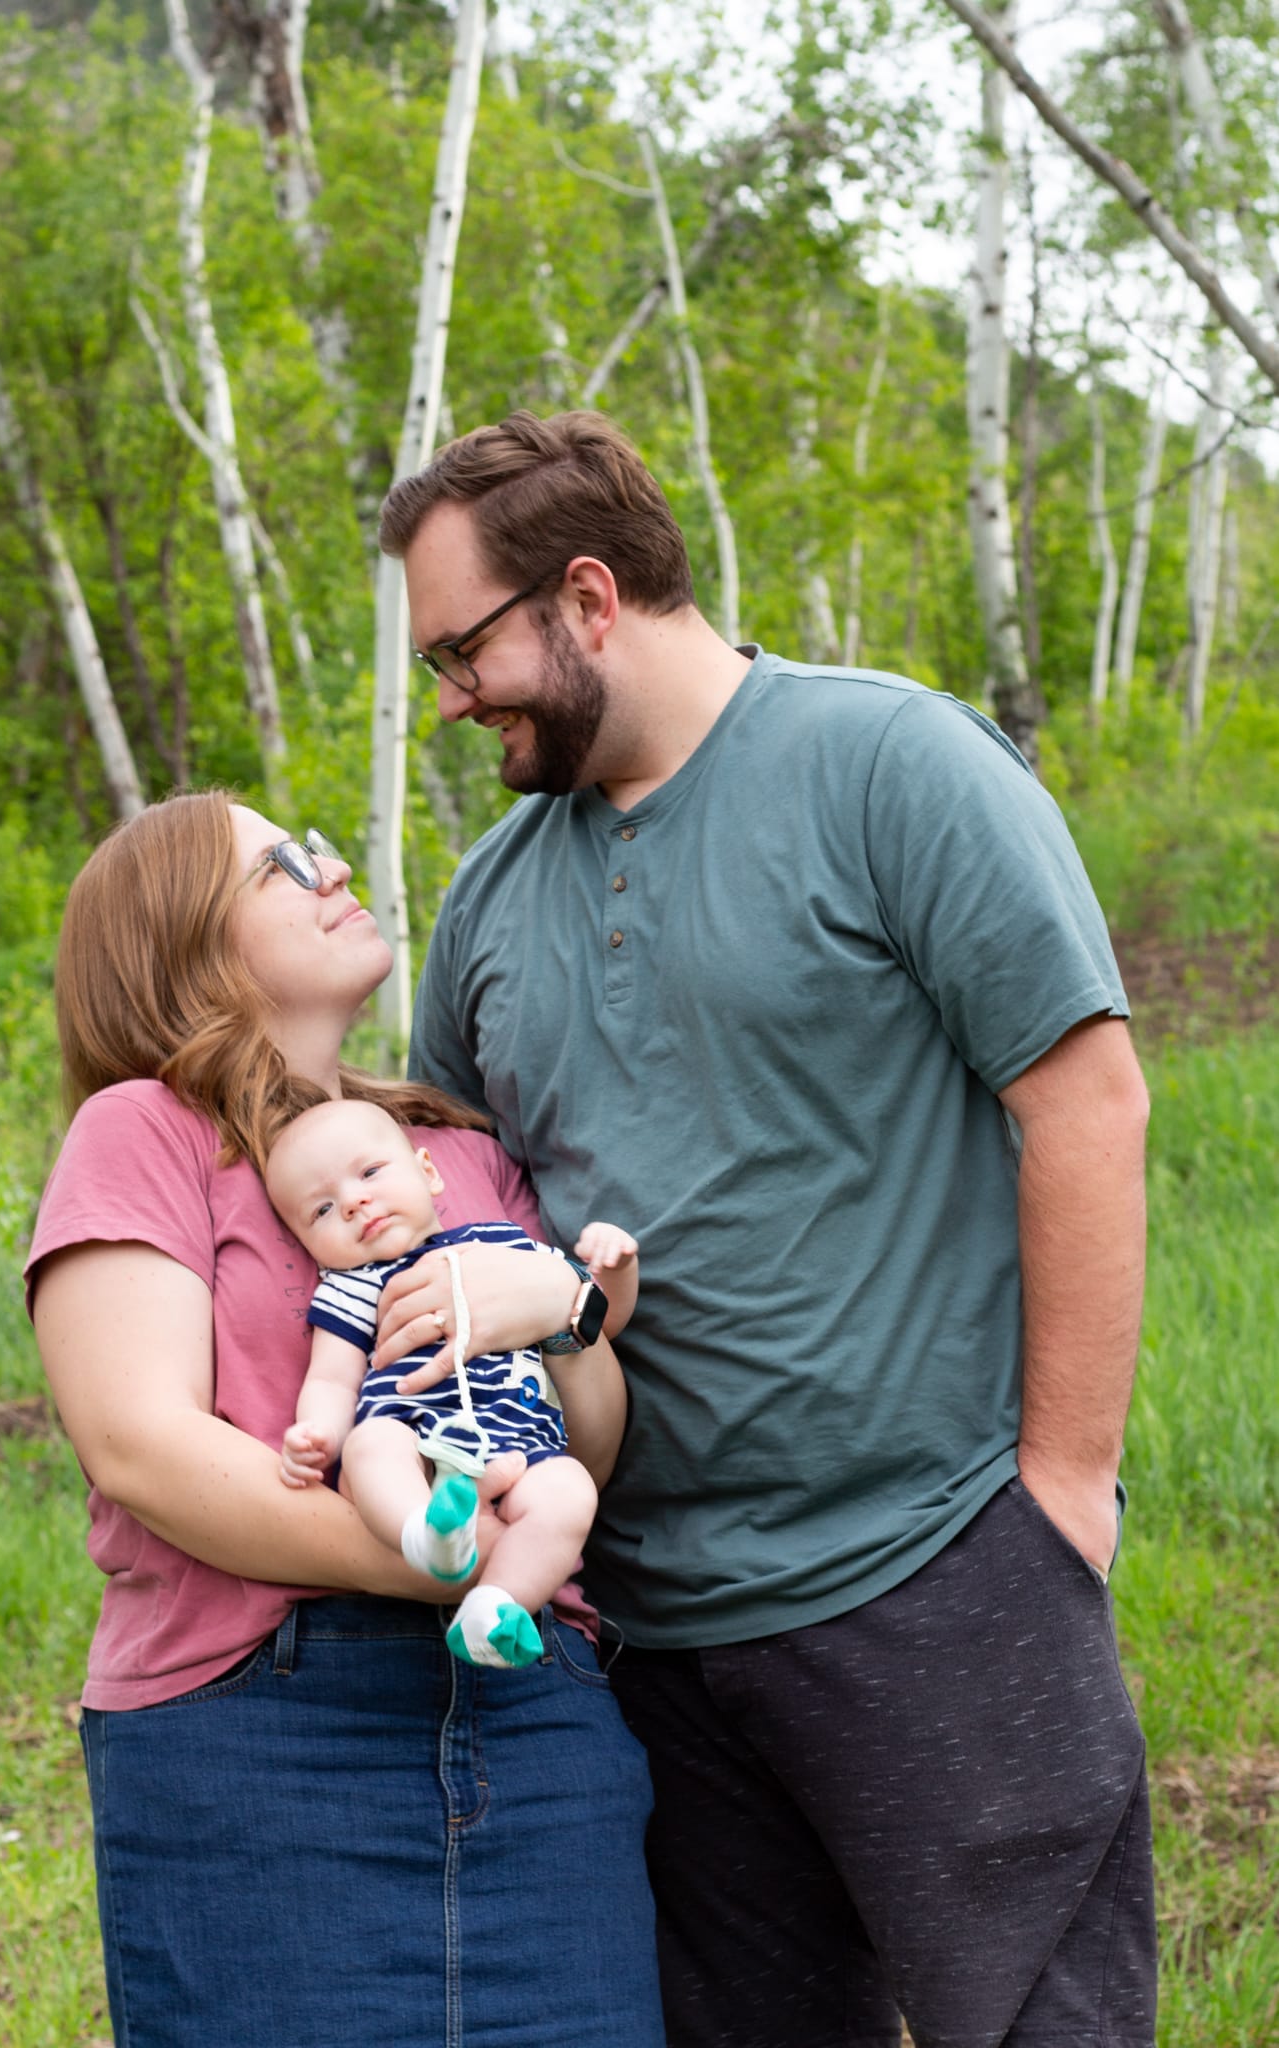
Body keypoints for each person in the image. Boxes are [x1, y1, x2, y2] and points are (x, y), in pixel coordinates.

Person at [379, 409, 1158, 2048]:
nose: (450, 699)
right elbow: (460, 1214)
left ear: (587, 597)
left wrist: (1062, 1494)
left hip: (939, 1577)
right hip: (646, 1641)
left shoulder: (894, 765)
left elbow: (1086, 1103)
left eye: (462, 651)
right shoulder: (488, 900)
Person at [25, 794, 666, 2048]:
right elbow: (140, 1443)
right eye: (280, 862)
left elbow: (581, 1448)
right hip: (266, 1725)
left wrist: (567, 1314)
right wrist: (435, 1563)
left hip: (532, 1710)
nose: (329, 867)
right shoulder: (145, 1130)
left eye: (318, 841)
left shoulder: (453, 1151)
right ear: (183, 944)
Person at [265, 1094, 639, 1669]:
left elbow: (598, 1319)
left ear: (428, 1172)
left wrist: (617, 1267)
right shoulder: (354, 1285)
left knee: (570, 1492)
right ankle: (425, 1535)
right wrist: (316, 1434)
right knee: (371, 1445)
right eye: (321, 1210)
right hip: (413, 1438)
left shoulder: (505, 1248)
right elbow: (334, 1379)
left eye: (370, 1172)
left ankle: (494, 1607)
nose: (354, 1202)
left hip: (521, 1447)